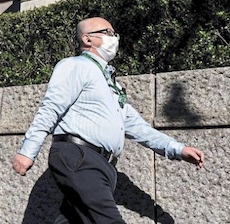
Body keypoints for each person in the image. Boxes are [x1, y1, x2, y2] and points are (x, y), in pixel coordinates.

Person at [12, 17, 205, 224]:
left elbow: (139, 128)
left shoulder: (113, 86)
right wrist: (27, 151)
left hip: (102, 165)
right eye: (107, 32)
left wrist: (178, 149)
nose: (114, 38)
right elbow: (50, 108)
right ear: (87, 39)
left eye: (114, 33)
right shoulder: (75, 66)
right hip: (80, 158)